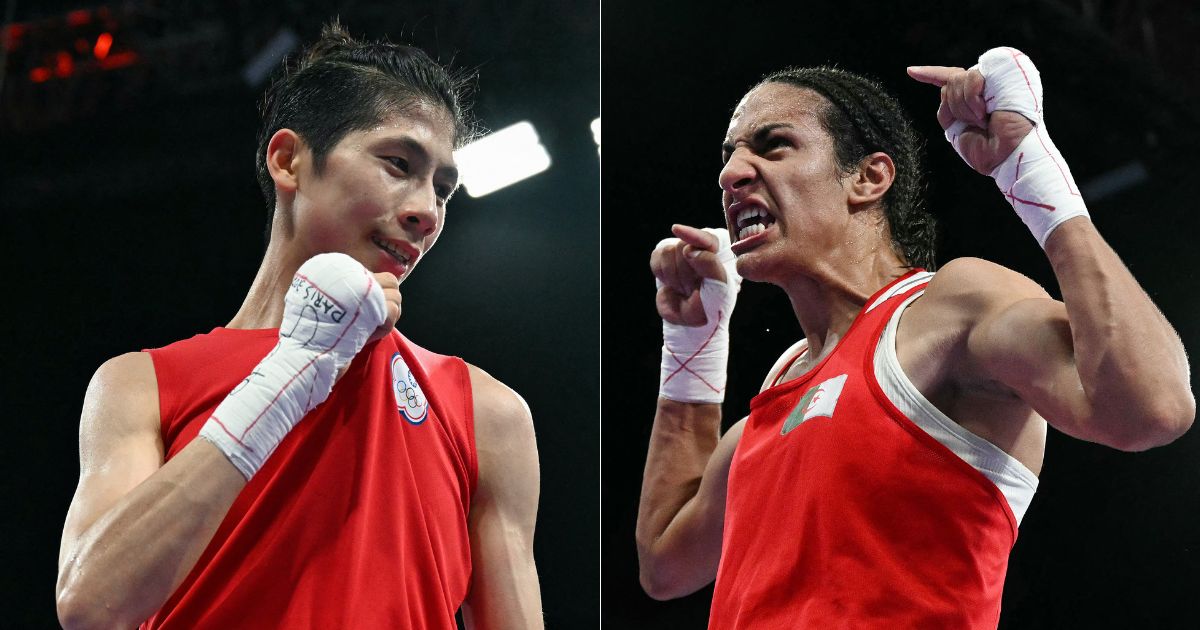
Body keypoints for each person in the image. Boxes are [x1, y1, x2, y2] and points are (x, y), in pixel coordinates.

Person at [637, 47, 1193, 628]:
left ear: (869, 177)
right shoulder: (787, 380)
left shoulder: (948, 310)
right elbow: (666, 564)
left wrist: (1030, 167)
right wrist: (692, 342)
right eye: (730, 156)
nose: (732, 174)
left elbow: (1152, 409)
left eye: (773, 145)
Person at [55, 22, 542, 629]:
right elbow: (90, 605)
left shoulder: (485, 411)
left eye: (443, 190)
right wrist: (291, 372)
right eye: (398, 163)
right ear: (289, 161)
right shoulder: (142, 384)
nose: (426, 211)